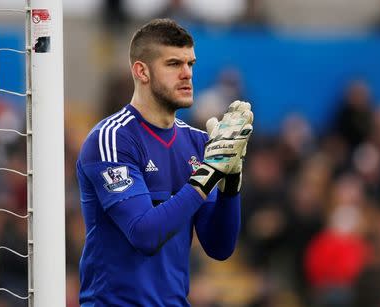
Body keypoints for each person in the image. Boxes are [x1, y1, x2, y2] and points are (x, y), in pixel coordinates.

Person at [76, 18, 253, 306]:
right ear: (141, 71)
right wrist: (209, 173)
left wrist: (231, 180)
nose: (187, 74)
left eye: (190, 64)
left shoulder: (197, 142)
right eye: (173, 64)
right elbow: (143, 234)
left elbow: (219, 247)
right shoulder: (110, 139)